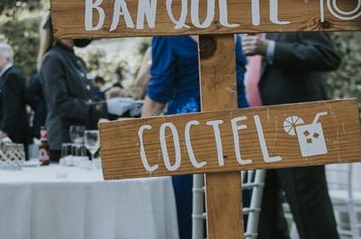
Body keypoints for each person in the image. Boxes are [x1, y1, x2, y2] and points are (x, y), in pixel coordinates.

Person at [142, 35, 248, 239]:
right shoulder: (232, 29)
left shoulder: (168, 34)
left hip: (189, 137)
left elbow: (158, 96)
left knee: (188, 211)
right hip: (237, 131)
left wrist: (142, 142)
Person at [242, 32, 341, 239]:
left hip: (300, 128)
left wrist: (269, 48)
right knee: (265, 216)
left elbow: (327, 55)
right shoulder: (247, 26)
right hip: (258, 132)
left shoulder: (295, 15)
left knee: (310, 212)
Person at [38, 13, 110, 161]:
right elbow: (60, 104)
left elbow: (85, 98)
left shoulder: (77, 61)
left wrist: (108, 106)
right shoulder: (53, 59)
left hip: (82, 139)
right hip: (64, 141)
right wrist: (100, 109)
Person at [0, 43, 30, 149]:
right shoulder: (2, 77)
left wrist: (4, 130)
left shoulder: (11, 76)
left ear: (7, 58)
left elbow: (12, 106)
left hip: (6, 139)